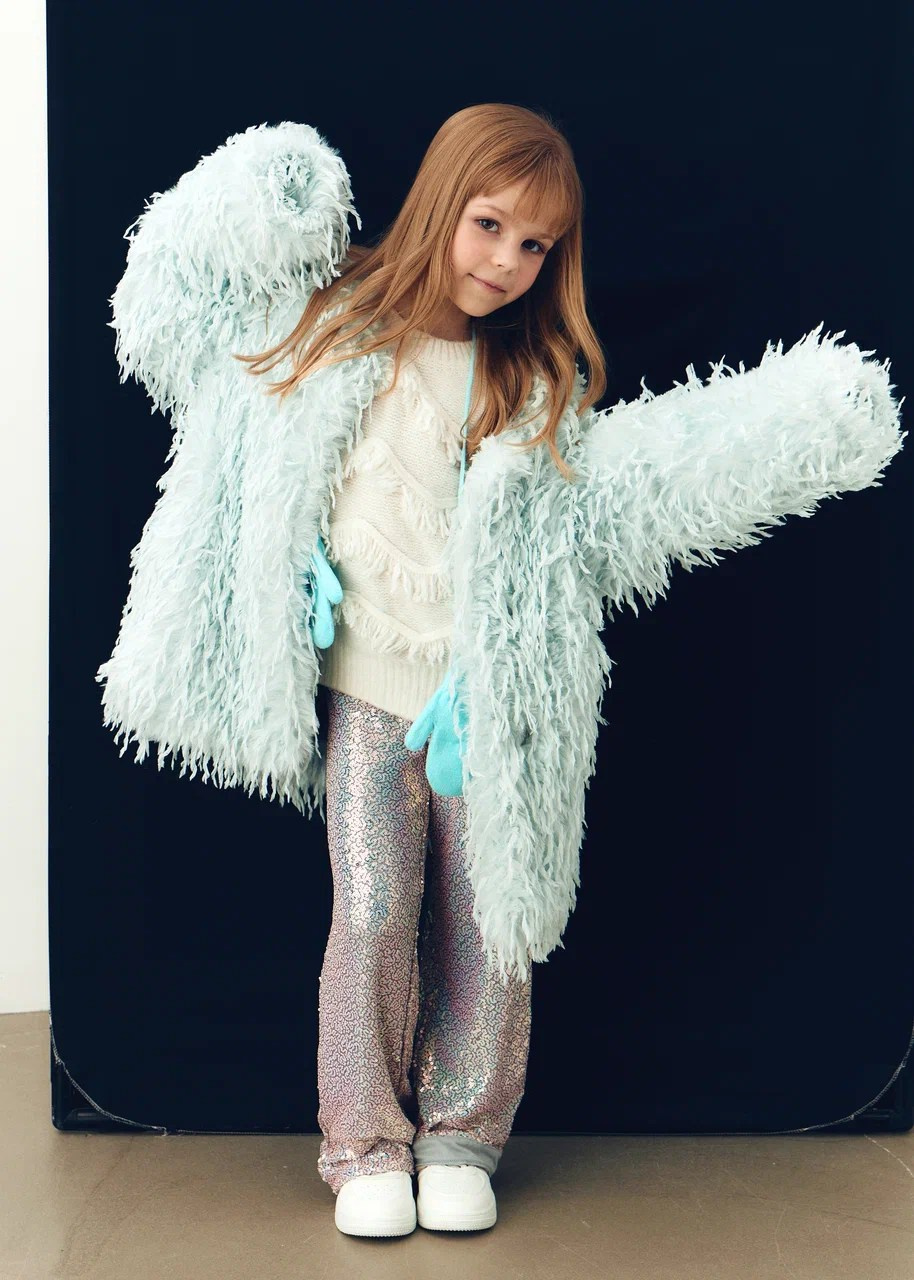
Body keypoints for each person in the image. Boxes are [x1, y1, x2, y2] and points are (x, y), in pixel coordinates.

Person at [95, 104, 906, 1238]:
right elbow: (167, 305)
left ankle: (463, 1136)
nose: (507, 262)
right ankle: (363, 1142)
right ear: (442, 202)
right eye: (489, 225)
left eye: (535, 245)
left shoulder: (527, 380)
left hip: (484, 702)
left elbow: (635, 499)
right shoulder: (326, 327)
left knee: (490, 916)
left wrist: (801, 425)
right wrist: (280, 180)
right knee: (372, 909)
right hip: (365, 691)